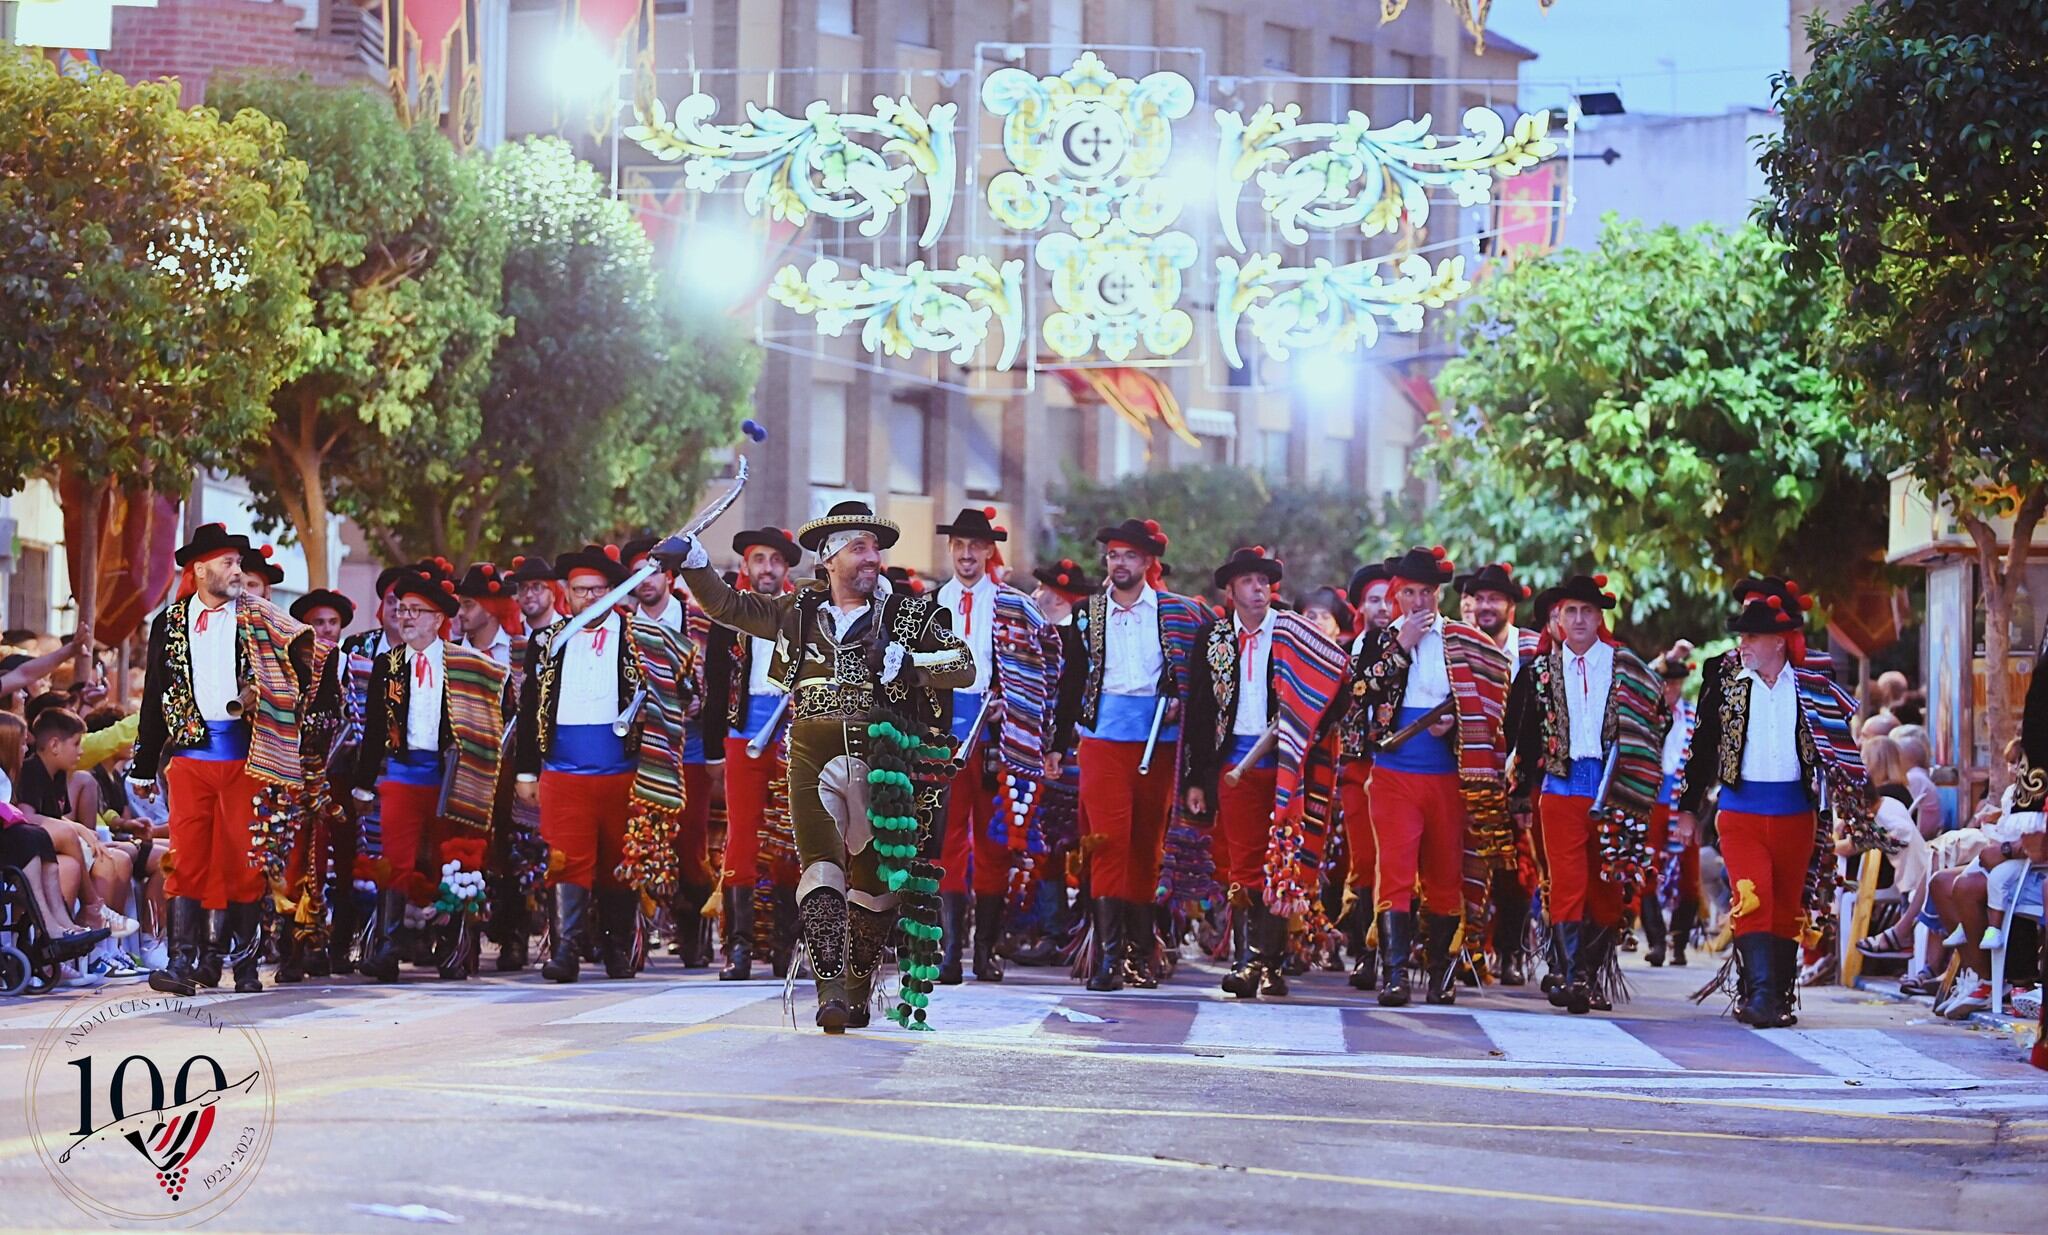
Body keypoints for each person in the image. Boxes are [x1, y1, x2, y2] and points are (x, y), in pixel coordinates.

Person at [664, 501, 975, 1032]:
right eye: (860, 548)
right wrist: (694, 560)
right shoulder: (795, 610)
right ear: (829, 558)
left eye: (876, 548)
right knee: (820, 866)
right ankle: (829, 993)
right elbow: (728, 606)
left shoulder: (909, 613)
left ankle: (856, 991)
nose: (873, 557)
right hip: (811, 751)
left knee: (877, 882)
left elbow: (963, 666)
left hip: (886, 755)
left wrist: (914, 666)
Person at [129, 523, 328, 997]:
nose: (237, 570)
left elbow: (314, 656)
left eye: (238, 562)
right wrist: (141, 765)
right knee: (185, 859)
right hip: (191, 757)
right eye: (227, 562)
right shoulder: (169, 622)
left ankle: (243, 963)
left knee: (245, 860)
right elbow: (155, 695)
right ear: (199, 570)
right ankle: (180, 962)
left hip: (249, 757)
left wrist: (280, 697)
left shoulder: (259, 616)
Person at [1674, 575, 1876, 1029]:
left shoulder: (1812, 682)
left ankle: (1775, 995)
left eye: (1751, 636)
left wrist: (1854, 798)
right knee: (1753, 894)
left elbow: (1838, 743)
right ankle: (1762, 995)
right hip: (1740, 810)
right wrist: (1688, 807)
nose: (1741, 644)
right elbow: (1703, 746)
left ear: (1780, 641)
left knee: (1786, 906)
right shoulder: (1725, 680)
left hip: (1796, 813)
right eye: (1741, 635)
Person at [515, 544, 698, 984]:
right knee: (566, 860)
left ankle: (618, 949)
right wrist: (525, 771)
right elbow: (527, 708)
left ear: (614, 592)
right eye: (580, 590)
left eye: (597, 590)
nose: (588, 599)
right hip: (563, 771)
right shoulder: (546, 641)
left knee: (622, 863)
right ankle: (568, 950)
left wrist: (670, 704)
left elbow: (684, 690)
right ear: (567, 593)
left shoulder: (641, 637)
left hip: (624, 772)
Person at [1342, 546, 1512, 1008]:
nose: (1417, 602)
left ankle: (1440, 972)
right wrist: (1401, 647)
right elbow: (1360, 692)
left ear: (1438, 595)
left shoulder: (1465, 640)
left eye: (1425, 593)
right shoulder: (1375, 641)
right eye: (1408, 593)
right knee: (1394, 872)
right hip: (1394, 773)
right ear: (1397, 595)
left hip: (1447, 776)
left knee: (1443, 874)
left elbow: (1491, 703)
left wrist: (1457, 722)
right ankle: (1395, 975)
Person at [1051, 518, 1208, 993]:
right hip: (1102, 741)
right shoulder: (1085, 613)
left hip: (1157, 744)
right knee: (1106, 842)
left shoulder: (1177, 614)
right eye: (1114, 555)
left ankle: (1141, 956)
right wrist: (1058, 745)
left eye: (1130, 556)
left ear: (1148, 563)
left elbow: (1196, 681)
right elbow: (1070, 682)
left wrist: (1181, 698)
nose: (1120, 563)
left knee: (1146, 847)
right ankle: (1108, 958)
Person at [1184, 547, 1344, 999]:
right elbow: (1199, 711)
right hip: (1234, 763)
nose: (1259, 590)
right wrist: (1197, 778)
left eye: (1264, 582)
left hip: (1285, 766)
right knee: (1242, 862)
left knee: (1282, 863)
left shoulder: (1294, 633)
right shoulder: (1212, 639)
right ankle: (1246, 959)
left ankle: (1269, 964)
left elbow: (1338, 684)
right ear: (1230, 590)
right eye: (1249, 582)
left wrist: (1307, 721)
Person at [1503, 575, 1666, 1014]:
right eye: (1570, 611)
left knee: (1607, 888)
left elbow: (1658, 716)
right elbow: (1524, 738)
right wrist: (1520, 796)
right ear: (1558, 618)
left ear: (1599, 618)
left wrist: (1635, 757)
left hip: (1614, 789)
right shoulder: (1538, 673)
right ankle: (1574, 976)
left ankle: (1592, 975)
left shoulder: (1625, 665)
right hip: (1560, 787)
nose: (1578, 619)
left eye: (1586, 612)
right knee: (1568, 885)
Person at [351, 570, 511, 982]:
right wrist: (363, 783)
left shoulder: (467, 664)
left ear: (439, 619)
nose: (405, 618)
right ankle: (387, 946)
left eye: (415, 611)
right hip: (403, 773)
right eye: (401, 610)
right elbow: (373, 730)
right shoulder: (388, 664)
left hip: (452, 776)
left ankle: (455, 949)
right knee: (395, 860)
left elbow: (495, 719)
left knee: (455, 858)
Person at [931, 506, 1061, 984]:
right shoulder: (929, 606)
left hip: (997, 736)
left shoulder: (1015, 604)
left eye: (976, 547)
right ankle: (948, 952)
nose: (967, 555)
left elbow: (1051, 656)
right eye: (959, 546)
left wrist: (1023, 705)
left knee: (993, 840)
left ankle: (984, 949)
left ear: (989, 551)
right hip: (943, 734)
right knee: (946, 840)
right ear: (950, 550)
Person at [700, 527, 804, 981]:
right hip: (743, 734)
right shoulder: (730, 614)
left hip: (793, 735)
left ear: (786, 568)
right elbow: (715, 683)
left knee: (790, 837)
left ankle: (786, 946)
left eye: (775, 560)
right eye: (759, 559)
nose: (767, 568)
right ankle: (737, 947)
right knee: (741, 836)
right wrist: (712, 752)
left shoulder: (805, 612)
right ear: (747, 565)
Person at [623, 535, 716, 970]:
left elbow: (723, 679)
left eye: (653, 570)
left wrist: (703, 701)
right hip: (639, 749)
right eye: (637, 572)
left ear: (669, 574)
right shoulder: (621, 630)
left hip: (691, 745)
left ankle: (694, 929)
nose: (646, 580)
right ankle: (636, 934)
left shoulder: (699, 622)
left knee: (691, 841)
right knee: (640, 839)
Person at [1333, 560, 1394, 989]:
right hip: (1356, 767)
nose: (1384, 607)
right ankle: (1366, 948)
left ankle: (1394, 950)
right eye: (1375, 600)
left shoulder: (1416, 648)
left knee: (1399, 859)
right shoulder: (1345, 650)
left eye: (1390, 599)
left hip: (1400, 765)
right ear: (1360, 606)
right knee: (1364, 860)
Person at [1642, 646, 1702, 967]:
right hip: (1652, 799)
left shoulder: (1694, 716)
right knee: (1647, 867)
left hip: (1683, 800)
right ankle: (1656, 941)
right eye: (1664, 684)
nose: (1669, 690)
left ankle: (1679, 942)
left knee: (1688, 874)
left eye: (1675, 684)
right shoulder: (1646, 715)